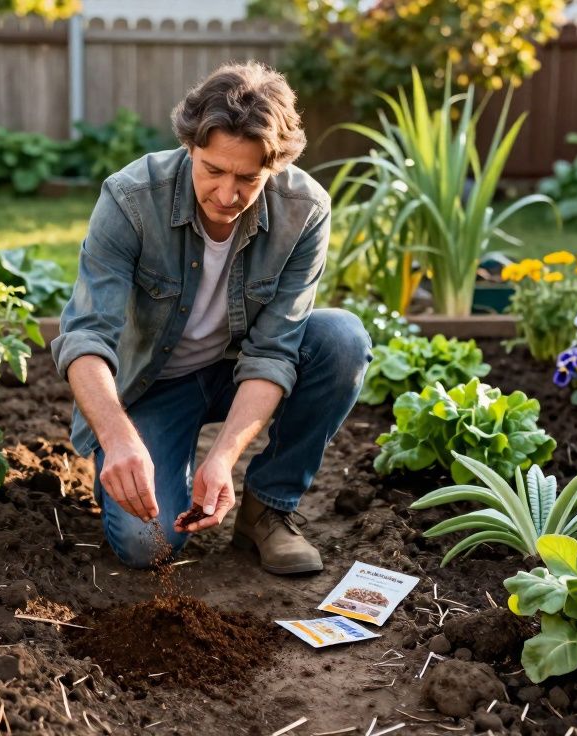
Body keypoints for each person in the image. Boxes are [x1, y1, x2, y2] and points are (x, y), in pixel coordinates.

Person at [50, 61, 371, 575]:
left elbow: (273, 352)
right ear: (190, 147)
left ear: (276, 166)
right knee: (146, 544)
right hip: (151, 385)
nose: (227, 195)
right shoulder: (131, 199)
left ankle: (267, 510)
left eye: (248, 178)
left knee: (341, 339)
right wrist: (117, 439)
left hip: (235, 369)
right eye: (212, 170)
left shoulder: (303, 210)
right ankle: (132, 460)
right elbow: (86, 336)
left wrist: (222, 458)